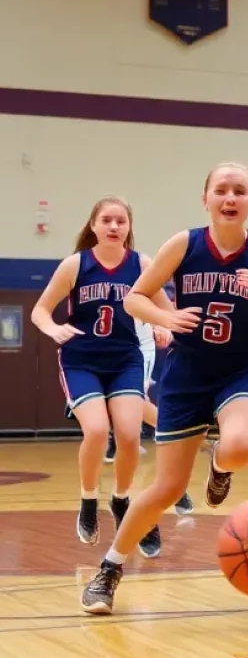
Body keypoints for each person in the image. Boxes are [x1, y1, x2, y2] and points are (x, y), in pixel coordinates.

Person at [80, 163, 248, 614]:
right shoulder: (184, 244)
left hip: (243, 368)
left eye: (240, 190)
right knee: (165, 487)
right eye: (221, 189)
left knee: (239, 447)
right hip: (187, 373)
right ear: (206, 199)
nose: (230, 197)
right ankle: (109, 568)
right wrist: (166, 318)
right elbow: (135, 297)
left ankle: (221, 467)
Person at [32, 196, 171, 555]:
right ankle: (88, 500)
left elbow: (166, 310)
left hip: (125, 358)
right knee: (96, 430)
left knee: (128, 435)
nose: (113, 226)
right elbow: (40, 311)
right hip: (81, 360)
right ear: (92, 225)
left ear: (129, 227)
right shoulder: (75, 265)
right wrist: (53, 329)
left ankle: (121, 499)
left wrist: (164, 326)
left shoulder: (141, 264)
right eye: (106, 220)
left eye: (120, 221)